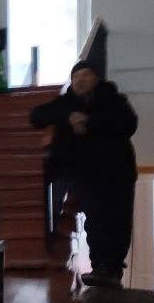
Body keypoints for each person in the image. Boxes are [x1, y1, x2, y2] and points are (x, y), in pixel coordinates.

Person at [29, 61, 138, 287]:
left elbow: (129, 123)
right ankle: (100, 266)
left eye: (85, 76)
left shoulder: (113, 100)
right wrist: (68, 117)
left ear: (96, 78)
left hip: (117, 173)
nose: (79, 81)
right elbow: (36, 116)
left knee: (118, 219)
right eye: (75, 77)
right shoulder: (65, 103)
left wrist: (88, 122)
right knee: (95, 219)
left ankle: (113, 265)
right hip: (85, 173)